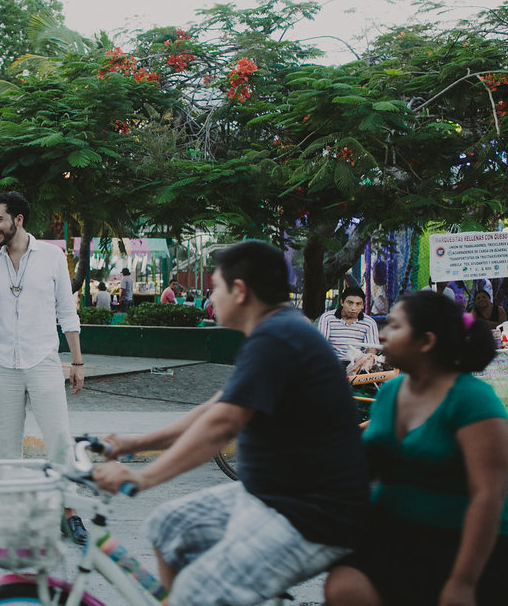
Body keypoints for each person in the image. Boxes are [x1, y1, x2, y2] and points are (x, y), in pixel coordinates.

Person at [93, 240, 369, 605]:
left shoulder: (279, 337)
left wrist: (143, 477)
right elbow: (217, 407)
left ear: (239, 291)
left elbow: (222, 426)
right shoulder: (273, 332)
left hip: (311, 514)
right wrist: (136, 443)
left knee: (195, 593)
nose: (212, 298)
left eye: (214, 289)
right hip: (271, 494)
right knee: (167, 527)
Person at [325, 291, 508, 606]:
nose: (382, 334)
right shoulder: (391, 392)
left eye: (395, 327)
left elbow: (488, 496)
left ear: (426, 342)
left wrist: (463, 581)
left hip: (465, 546)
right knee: (345, 588)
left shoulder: (474, 400)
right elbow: (363, 466)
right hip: (397, 533)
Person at [0, 191, 89, 545]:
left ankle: (70, 513)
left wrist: (76, 362)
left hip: (43, 360)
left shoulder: (52, 257)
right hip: (1, 364)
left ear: (18, 220)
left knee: (58, 439)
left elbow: (66, 312)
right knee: (8, 447)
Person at [315, 286, 379, 374]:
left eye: (358, 304)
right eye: (350, 303)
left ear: (363, 305)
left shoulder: (369, 322)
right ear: (342, 302)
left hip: (358, 364)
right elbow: (321, 345)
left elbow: (371, 349)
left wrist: (364, 363)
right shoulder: (327, 318)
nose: (353, 308)